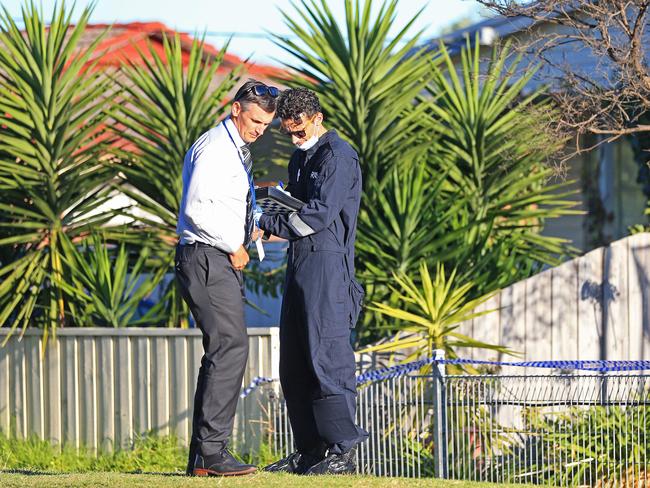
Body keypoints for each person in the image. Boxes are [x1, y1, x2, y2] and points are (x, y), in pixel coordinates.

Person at [257, 88, 368, 475]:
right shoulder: (299, 158)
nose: (295, 139)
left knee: (328, 360)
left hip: (328, 266)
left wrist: (266, 222)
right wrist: (272, 204)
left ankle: (342, 451)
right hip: (300, 264)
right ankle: (310, 451)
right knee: (295, 363)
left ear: (317, 118)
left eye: (300, 131)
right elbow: (296, 209)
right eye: (289, 133)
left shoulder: (338, 156)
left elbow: (317, 216)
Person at [175, 79, 278, 477]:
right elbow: (196, 209)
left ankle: (204, 455)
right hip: (208, 258)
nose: (259, 130)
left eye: (266, 125)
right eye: (255, 121)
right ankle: (211, 454)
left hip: (215, 257)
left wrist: (247, 232)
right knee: (230, 348)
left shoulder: (234, 150)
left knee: (225, 349)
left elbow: (220, 205)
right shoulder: (216, 149)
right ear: (236, 109)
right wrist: (232, 245)